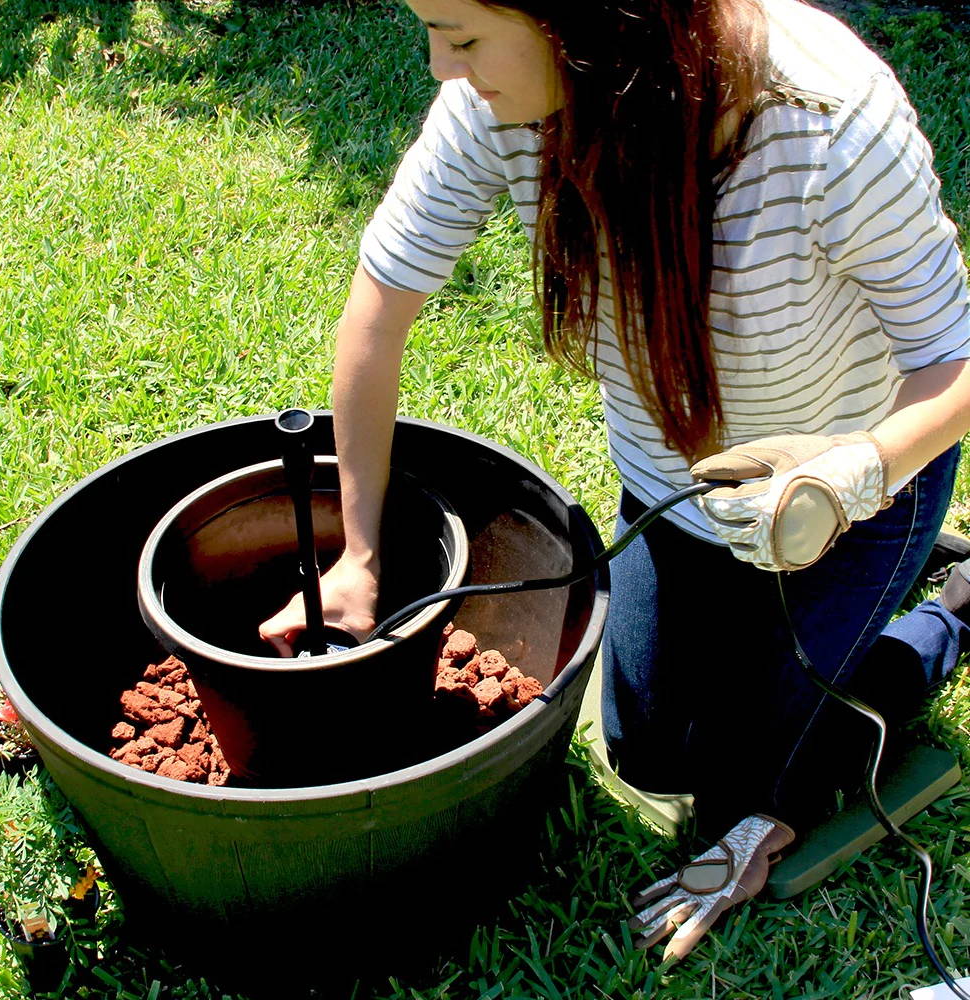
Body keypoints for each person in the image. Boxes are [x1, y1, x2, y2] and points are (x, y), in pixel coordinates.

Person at [259, 0, 970, 962]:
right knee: (650, 752)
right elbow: (377, 316)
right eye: (431, 28)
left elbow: (956, 363)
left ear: (589, 20)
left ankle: (951, 613)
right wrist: (358, 554)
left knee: (750, 795)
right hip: (679, 490)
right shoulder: (500, 108)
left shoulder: (826, 122)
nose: (439, 66)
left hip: (857, 499)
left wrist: (854, 473)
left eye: (462, 36)